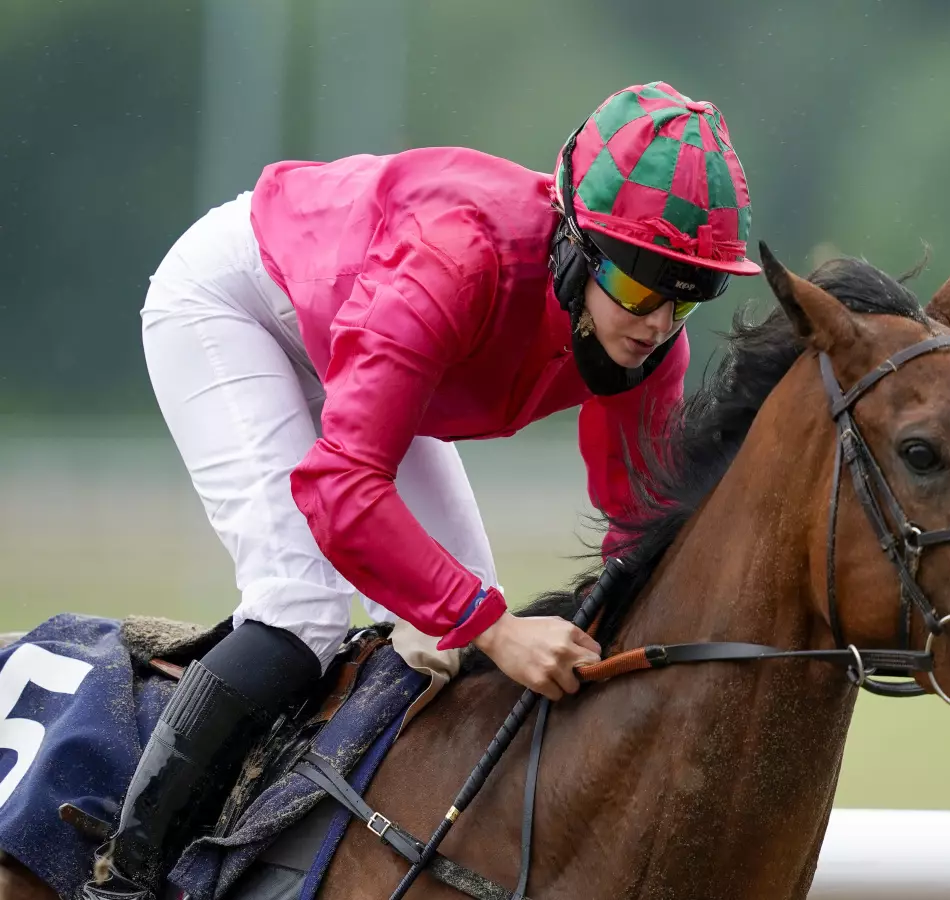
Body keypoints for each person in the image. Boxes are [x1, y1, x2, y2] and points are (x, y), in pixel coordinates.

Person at [84, 81, 760, 899]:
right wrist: (498, 628)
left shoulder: (650, 348)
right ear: (576, 246)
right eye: (641, 285)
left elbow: (637, 523)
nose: (656, 321)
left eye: (688, 295)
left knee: (455, 641)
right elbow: (342, 489)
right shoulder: (458, 257)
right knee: (302, 608)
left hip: (366, 338)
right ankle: (121, 880)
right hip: (240, 305)